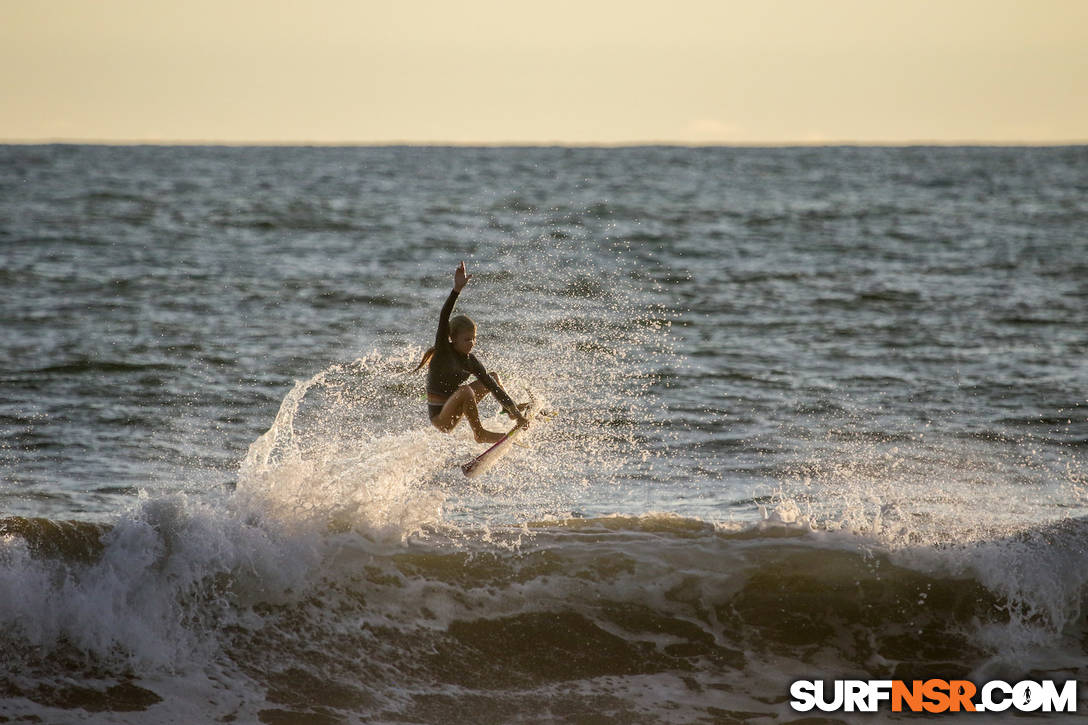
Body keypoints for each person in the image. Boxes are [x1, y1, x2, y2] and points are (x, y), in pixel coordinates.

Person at [410, 262, 528, 444]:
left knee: (493, 378)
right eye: (467, 340)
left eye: (474, 338)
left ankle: (510, 412)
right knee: (465, 391)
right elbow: (444, 316)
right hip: (441, 418)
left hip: (456, 406)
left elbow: (493, 388)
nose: (472, 343)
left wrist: (518, 414)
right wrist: (456, 289)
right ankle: (480, 434)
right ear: (453, 338)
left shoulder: (470, 361)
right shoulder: (443, 350)